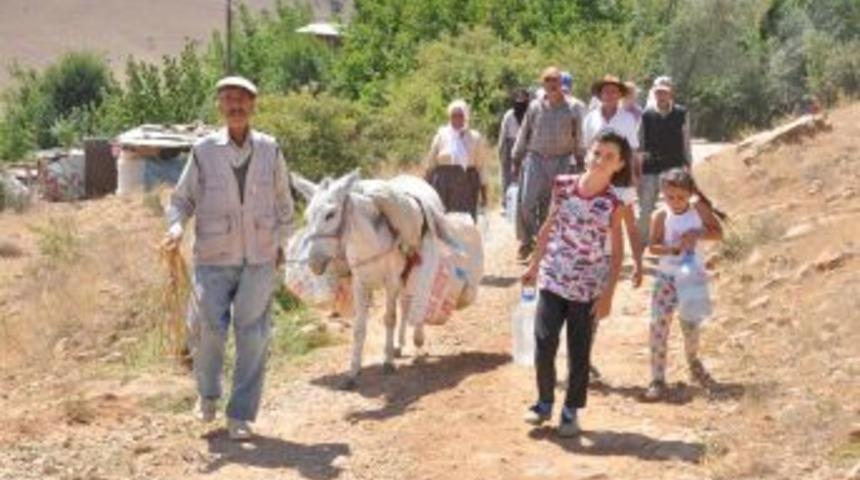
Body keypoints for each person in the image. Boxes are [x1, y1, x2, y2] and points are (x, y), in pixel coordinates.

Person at [164, 76, 295, 441]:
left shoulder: (271, 149)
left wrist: (284, 242)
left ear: (253, 105)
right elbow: (181, 200)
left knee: (253, 335)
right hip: (213, 255)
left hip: (260, 255)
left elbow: (285, 202)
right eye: (229, 100)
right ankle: (207, 396)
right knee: (209, 328)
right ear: (219, 107)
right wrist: (175, 229)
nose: (236, 106)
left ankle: (240, 414)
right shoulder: (203, 150)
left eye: (242, 100)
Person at [520, 131, 631, 437]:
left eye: (609, 157)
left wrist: (608, 294)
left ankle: (570, 410)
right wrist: (534, 264)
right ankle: (544, 402)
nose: (600, 160)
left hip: (586, 288)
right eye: (597, 153)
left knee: (578, 352)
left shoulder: (613, 203)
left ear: (618, 165)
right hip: (553, 279)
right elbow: (548, 226)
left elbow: (618, 253)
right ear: (587, 154)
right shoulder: (563, 186)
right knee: (544, 343)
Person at [643, 168, 723, 402]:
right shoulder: (660, 216)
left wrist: (696, 234)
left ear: (690, 194)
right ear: (663, 195)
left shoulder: (699, 210)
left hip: (693, 277)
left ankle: (693, 362)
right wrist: (672, 249)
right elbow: (652, 246)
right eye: (670, 197)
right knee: (658, 326)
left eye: (680, 197)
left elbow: (718, 233)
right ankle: (657, 379)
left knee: (691, 327)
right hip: (666, 278)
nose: (675, 202)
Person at [512, 66, 585, 261]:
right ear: (543, 84)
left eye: (556, 81)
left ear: (562, 83)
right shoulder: (535, 106)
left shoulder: (574, 107)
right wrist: (516, 157)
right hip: (536, 158)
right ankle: (528, 239)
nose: (552, 85)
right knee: (526, 202)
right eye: (548, 81)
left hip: (561, 160)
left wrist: (580, 160)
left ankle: (543, 245)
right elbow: (524, 132)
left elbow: (578, 136)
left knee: (551, 205)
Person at [638, 76, 693, 246]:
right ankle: (643, 243)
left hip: (674, 167)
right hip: (650, 167)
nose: (661, 95)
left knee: (676, 206)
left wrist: (688, 165)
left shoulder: (681, 113)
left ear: (671, 93)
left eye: (665, 92)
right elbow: (639, 144)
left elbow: (686, 140)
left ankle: (676, 239)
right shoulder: (645, 115)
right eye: (658, 92)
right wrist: (637, 170)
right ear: (654, 93)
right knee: (646, 207)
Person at [425, 99, 489, 221]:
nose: (457, 119)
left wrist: (484, 193)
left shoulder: (474, 137)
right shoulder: (441, 135)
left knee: (465, 221)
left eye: (460, 116)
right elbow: (431, 162)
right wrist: (425, 185)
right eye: (453, 116)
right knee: (443, 219)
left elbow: (481, 166)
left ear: (466, 117)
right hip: (443, 183)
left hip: (467, 183)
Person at [582, 75, 640, 154]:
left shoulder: (628, 119)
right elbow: (587, 147)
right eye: (606, 91)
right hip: (597, 164)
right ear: (600, 95)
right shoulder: (590, 118)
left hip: (620, 165)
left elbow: (633, 148)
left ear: (620, 95)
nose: (610, 95)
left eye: (614, 91)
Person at [498, 89, 530, 212]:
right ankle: (505, 203)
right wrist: (501, 151)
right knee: (507, 175)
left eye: (523, 100)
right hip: (509, 144)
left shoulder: (530, 113)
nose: (520, 103)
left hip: (526, 146)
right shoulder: (509, 115)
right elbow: (503, 134)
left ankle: (523, 203)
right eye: (518, 100)